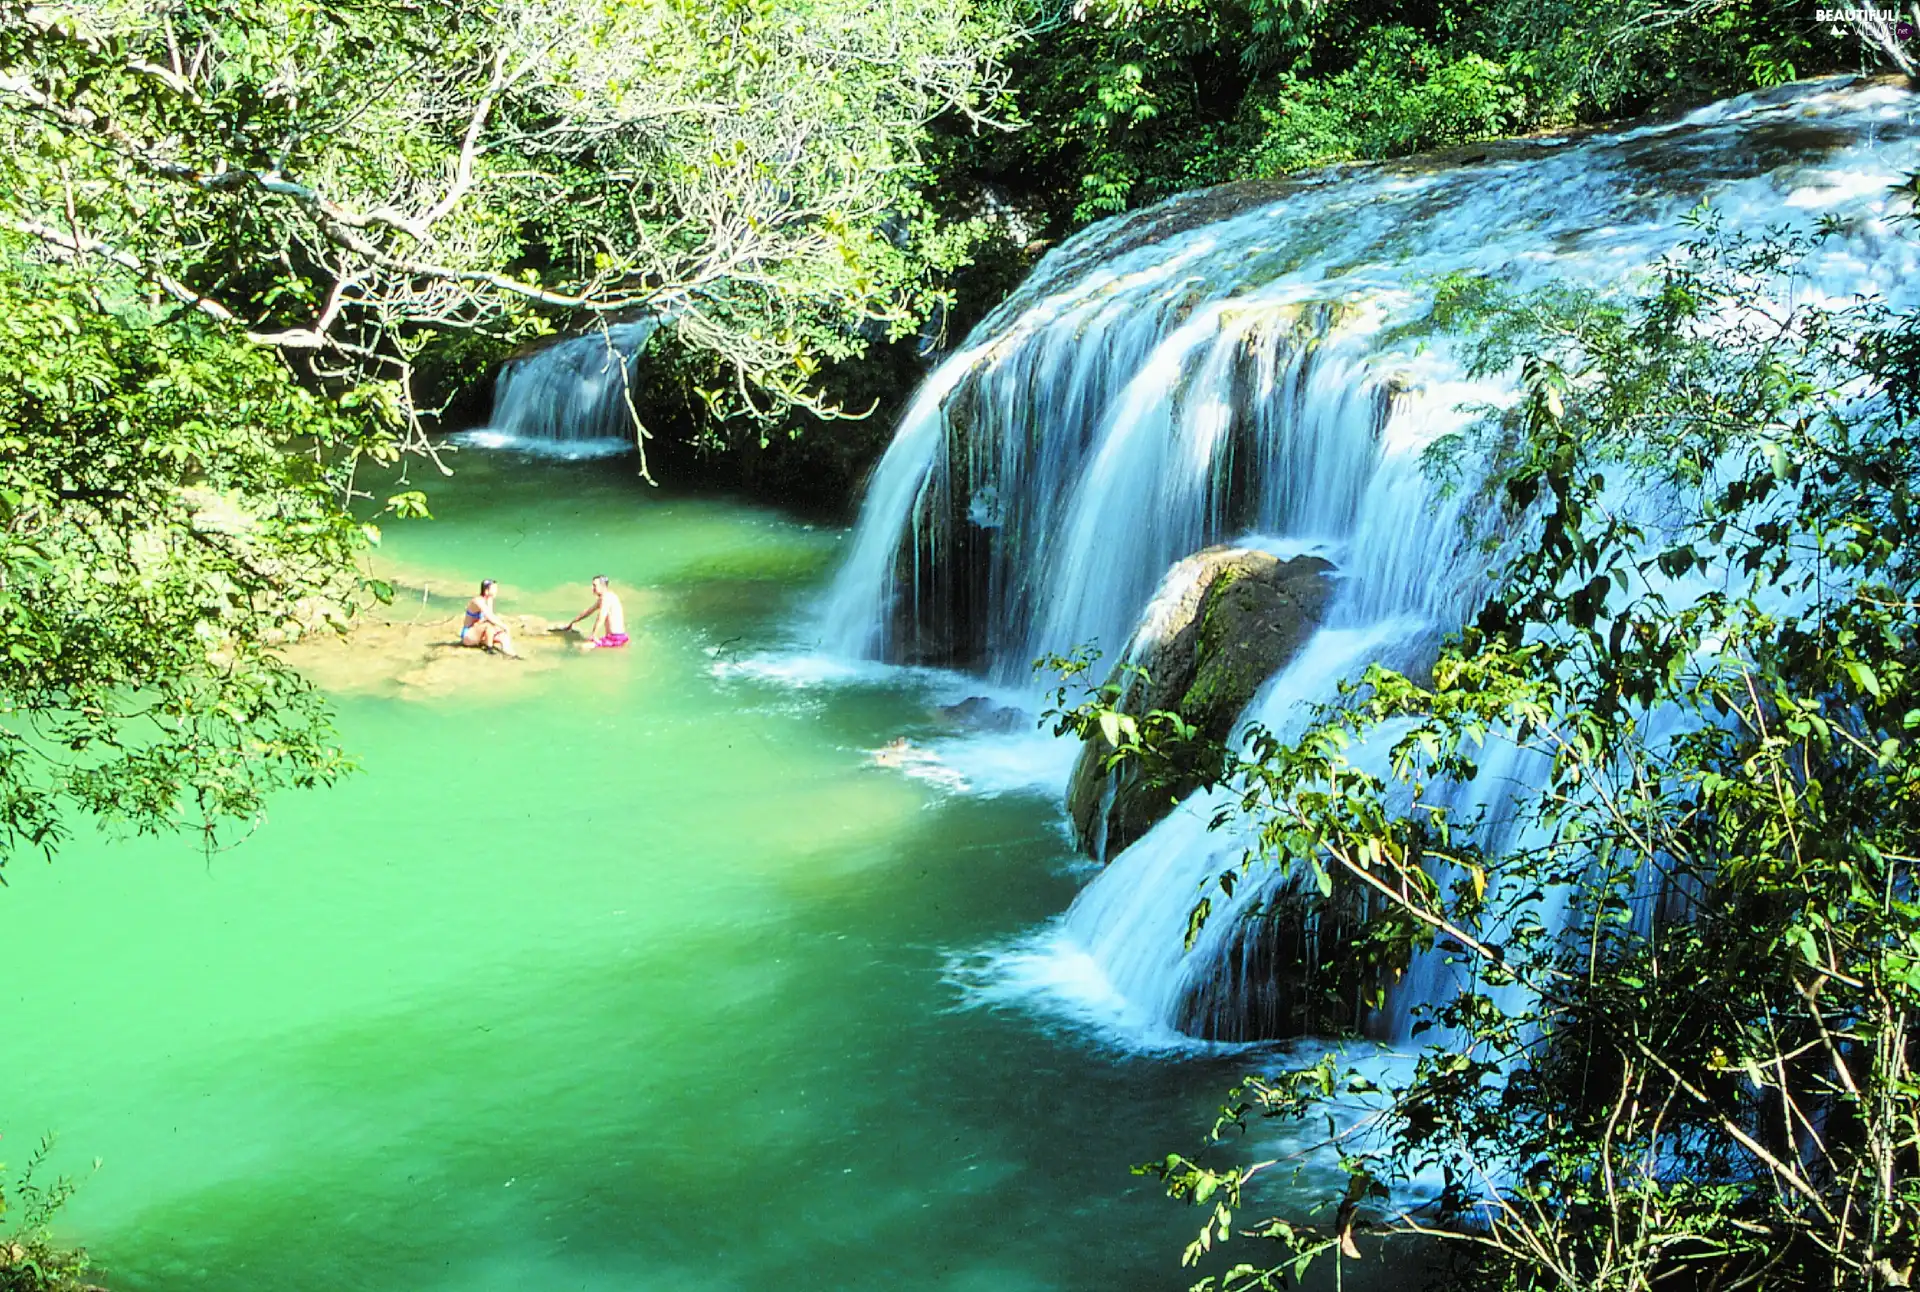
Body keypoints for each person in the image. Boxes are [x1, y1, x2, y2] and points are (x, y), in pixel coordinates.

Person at [563, 574, 628, 649]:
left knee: (583, 647)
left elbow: (601, 617)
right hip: (616, 637)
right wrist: (573, 622)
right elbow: (588, 611)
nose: (592, 588)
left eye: (594, 585)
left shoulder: (607, 598)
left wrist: (594, 635)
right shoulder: (604, 598)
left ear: (602, 586)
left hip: (616, 639)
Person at [460, 579, 519, 657]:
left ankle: (511, 654)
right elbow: (489, 617)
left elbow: (491, 616)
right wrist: (504, 626)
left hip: (480, 632)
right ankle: (489, 648)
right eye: (494, 589)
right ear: (486, 591)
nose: (496, 591)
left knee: (502, 635)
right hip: (469, 635)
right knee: (489, 625)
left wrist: (500, 629)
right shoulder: (477, 601)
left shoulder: (489, 600)